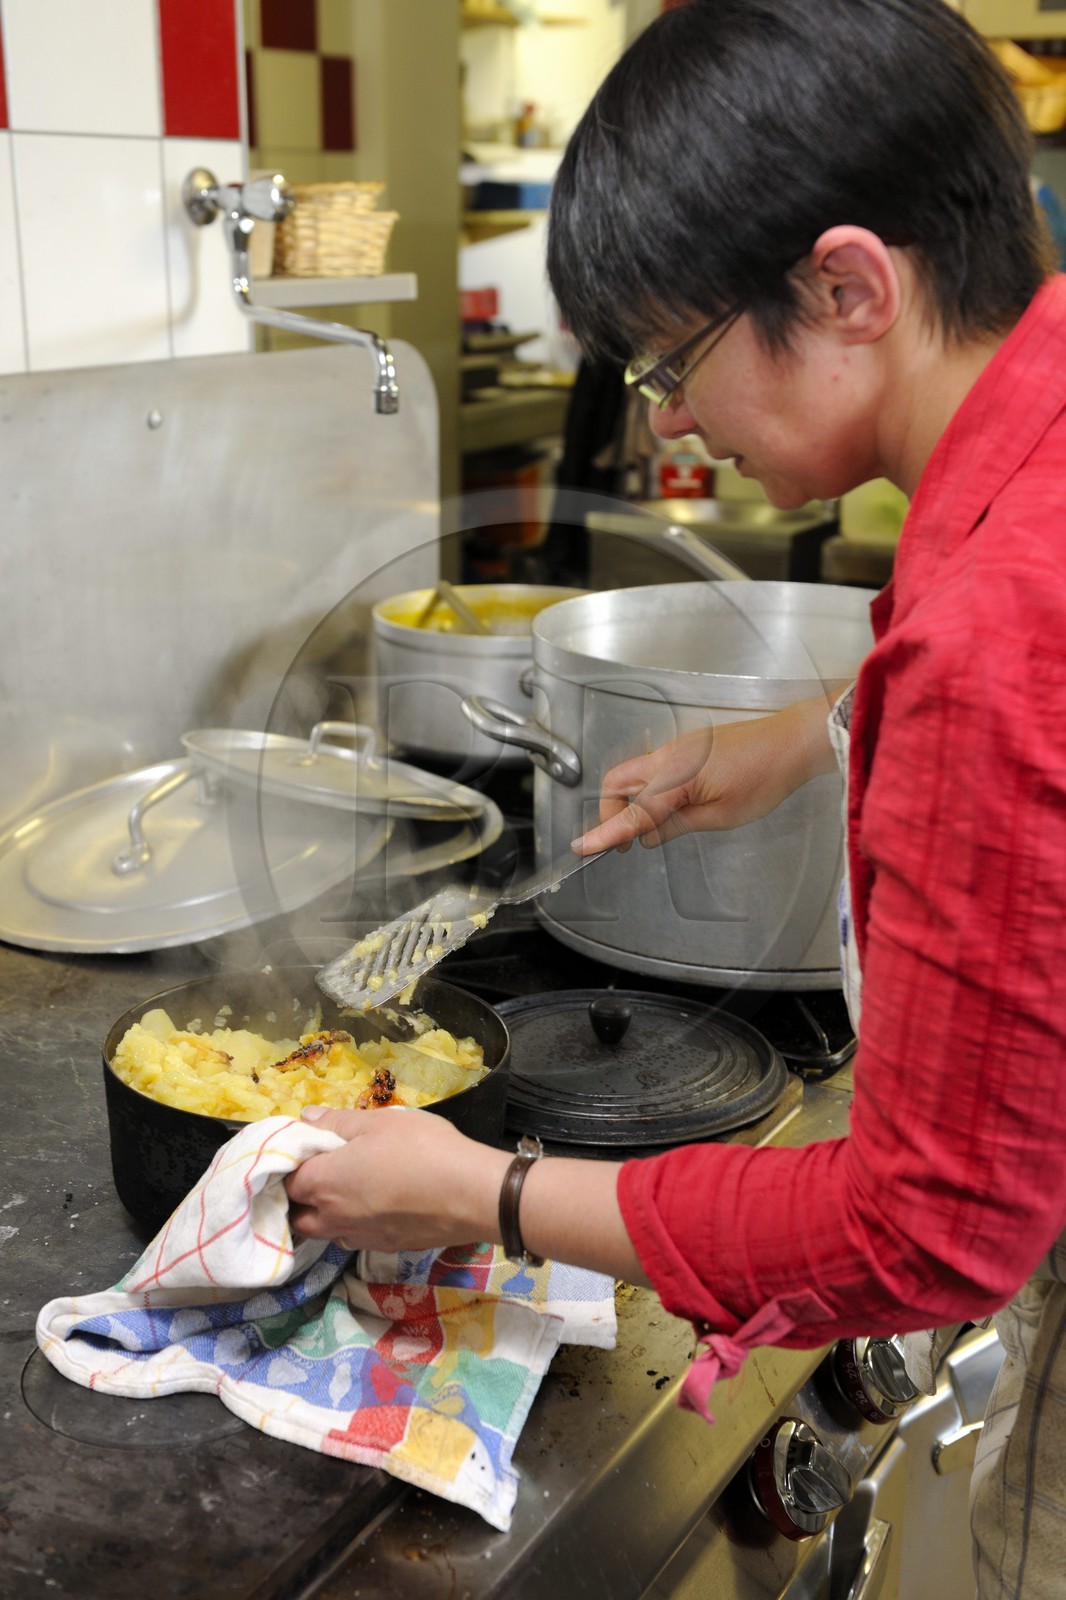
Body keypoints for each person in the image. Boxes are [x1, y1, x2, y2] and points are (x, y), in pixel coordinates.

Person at [286, 3, 1066, 1591]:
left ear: (847, 286)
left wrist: (485, 1191)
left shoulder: (994, 629)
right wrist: (801, 735)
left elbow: (927, 1233)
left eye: (673, 359)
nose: (668, 421)